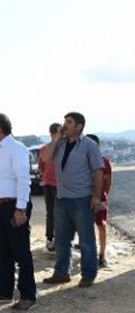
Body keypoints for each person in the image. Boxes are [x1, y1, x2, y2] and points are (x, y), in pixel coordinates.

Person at [0, 113, 36, 310]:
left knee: (21, 251)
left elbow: (23, 180)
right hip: (0, 207)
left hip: (14, 207)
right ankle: (4, 291)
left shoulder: (16, 149)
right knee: (3, 250)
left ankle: (28, 295)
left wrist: (20, 209)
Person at [42, 111, 104, 288]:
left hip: (82, 199)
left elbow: (98, 171)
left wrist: (97, 197)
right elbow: (46, 158)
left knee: (86, 240)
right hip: (61, 199)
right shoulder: (60, 144)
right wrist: (56, 139)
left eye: (69, 122)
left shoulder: (89, 145)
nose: (65, 125)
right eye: (64, 121)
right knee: (61, 240)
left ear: (79, 126)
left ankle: (88, 274)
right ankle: (62, 273)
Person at [86, 134, 113, 267]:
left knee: (101, 226)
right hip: (83, 199)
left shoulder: (105, 162)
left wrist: (104, 198)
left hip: (99, 200)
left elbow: (108, 182)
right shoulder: (81, 162)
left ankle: (102, 256)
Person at [39, 123, 62, 252]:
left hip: (64, 184)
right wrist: (46, 176)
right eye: (59, 132)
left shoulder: (65, 147)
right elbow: (41, 165)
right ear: (53, 133)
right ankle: (50, 238)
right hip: (50, 184)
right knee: (51, 213)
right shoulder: (45, 148)